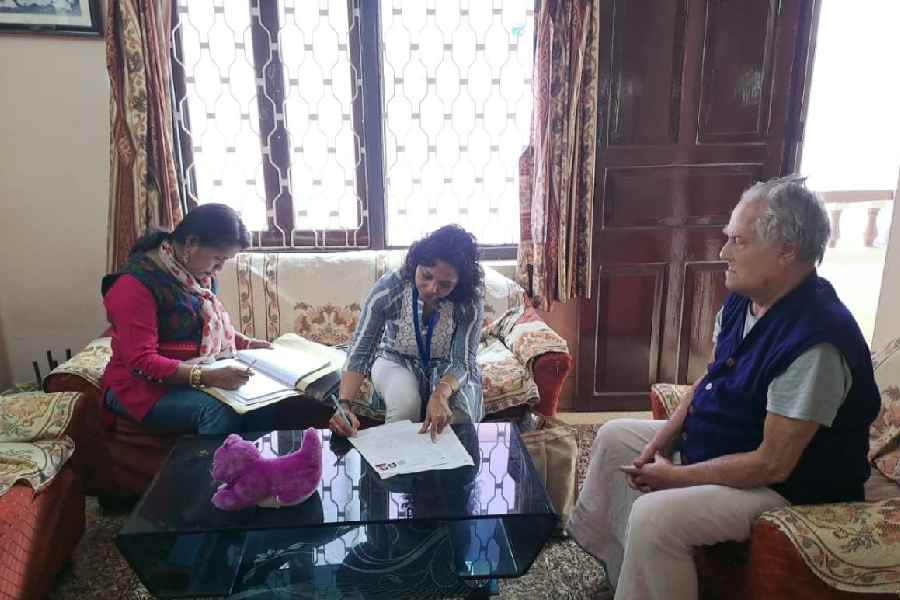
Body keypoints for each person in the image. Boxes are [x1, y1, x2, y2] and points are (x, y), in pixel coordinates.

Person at [567, 175, 881, 600]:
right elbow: (710, 379)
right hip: (726, 452)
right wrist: (659, 441)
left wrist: (674, 477)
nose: (723, 252)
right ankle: (626, 577)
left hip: (788, 493)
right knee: (614, 437)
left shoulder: (817, 342)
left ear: (787, 251)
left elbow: (773, 465)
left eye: (739, 241)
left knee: (655, 518)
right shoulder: (744, 299)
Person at [101, 203, 273, 435]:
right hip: (141, 388)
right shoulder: (133, 286)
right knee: (218, 411)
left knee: (265, 404)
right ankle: (208, 471)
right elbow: (142, 362)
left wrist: (248, 344)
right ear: (191, 243)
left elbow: (206, 327)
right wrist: (208, 377)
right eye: (218, 259)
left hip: (195, 371)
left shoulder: (197, 274)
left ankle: (252, 467)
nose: (218, 269)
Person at [329, 224, 485, 440]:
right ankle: (396, 469)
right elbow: (362, 348)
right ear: (416, 265)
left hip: (448, 367)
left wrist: (440, 394)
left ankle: (450, 471)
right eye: (426, 275)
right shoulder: (390, 288)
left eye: (445, 285)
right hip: (395, 360)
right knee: (405, 406)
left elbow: (463, 360)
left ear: (459, 284)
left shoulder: (470, 301)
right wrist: (344, 404)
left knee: (458, 415)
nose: (432, 288)